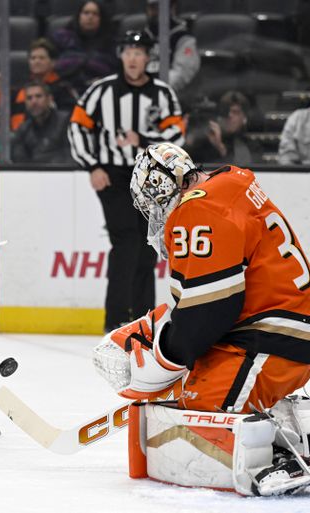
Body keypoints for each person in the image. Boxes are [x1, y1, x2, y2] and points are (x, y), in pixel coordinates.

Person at [95, 142, 310, 495]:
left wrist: (168, 357)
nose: (155, 213)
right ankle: (306, 439)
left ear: (161, 187)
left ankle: (283, 452)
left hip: (266, 350)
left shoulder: (196, 208)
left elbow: (211, 310)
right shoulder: (230, 181)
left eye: (152, 201)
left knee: (191, 411)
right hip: (281, 339)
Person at [67, 30, 184, 333]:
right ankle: (117, 320)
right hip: (114, 176)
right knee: (125, 242)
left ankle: (144, 320)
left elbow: (177, 135)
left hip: (150, 178)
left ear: (148, 57)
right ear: (121, 56)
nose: (133, 57)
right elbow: (78, 127)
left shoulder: (162, 93)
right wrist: (92, 165)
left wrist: (144, 140)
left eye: (139, 51)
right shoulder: (101, 91)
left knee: (147, 248)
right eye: (128, 51)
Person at [0, 38, 77, 130]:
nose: (36, 61)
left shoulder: (63, 89)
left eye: (41, 58)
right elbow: (0, 112)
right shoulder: (21, 88)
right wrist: (0, 89)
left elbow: (69, 119)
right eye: (33, 58)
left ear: (53, 62)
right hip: (18, 137)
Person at [49, 0, 118, 94]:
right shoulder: (61, 38)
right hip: (63, 91)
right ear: (79, 16)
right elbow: (51, 65)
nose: (90, 17)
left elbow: (113, 71)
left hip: (101, 91)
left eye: (95, 14)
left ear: (101, 18)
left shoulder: (110, 43)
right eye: (86, 13)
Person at [142, 0, 199, 93]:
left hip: (172, 95)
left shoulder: (183, 38)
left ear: (172, 8)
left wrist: (154, 90)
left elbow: (181, 74)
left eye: (159, 7)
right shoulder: (144, 35)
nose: (156, 12)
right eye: (152, 7)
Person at [11, 81, 70, 163]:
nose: (34, 101)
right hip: (33, 174)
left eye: (38, 96)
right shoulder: (23, 129)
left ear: (49, 99)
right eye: (29, 98)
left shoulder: (66, 121)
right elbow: (19, 160)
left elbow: (70, 157)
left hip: (62, 173)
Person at [204, 90, 262, 164]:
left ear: (244, 118)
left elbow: (243, 172)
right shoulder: (207, 142)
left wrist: (220, 148)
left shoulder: (253, 147)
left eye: (235, 112)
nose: (230, 115)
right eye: (226, 111)